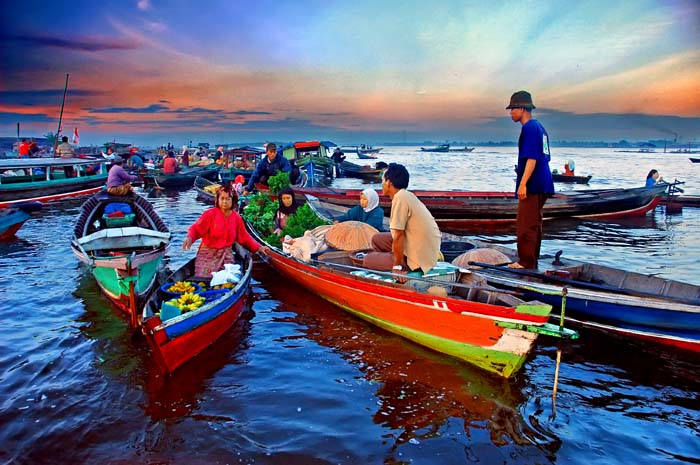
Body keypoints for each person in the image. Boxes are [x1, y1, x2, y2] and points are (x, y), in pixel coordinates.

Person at [363, 163, 441, 283]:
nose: (382, 184)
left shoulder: (400, 198)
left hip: (418, 258)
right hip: (423, 249)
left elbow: (398, 235)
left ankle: (400, 265)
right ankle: (391, 259)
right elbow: (398, 235)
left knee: (367, 260)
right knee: (377, 239)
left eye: (383, 181)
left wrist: (397, 267)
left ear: (389, 182)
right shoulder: (406, 195)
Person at [507, 90, 555, 270]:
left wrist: (522, 184)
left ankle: (525, 262)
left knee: (526, 224)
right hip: (544, 181)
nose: (511, 113)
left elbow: (532, 158)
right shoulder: (540, 128)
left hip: (534, 183)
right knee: (535, 222)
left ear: (521, 108)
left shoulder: (529, 128)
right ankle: (531, 261)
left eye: (513, 109)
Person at [183, 184, 267, 277]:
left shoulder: (236, 218)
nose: (224, 202)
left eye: (228, 199)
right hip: (208, 255)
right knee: (204, 279)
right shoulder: (210, 214)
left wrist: (258, 248)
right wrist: (190, 238)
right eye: (222, 198)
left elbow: (245, 238)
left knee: (227, 280)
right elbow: (196, 229)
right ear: (217, 200)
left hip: (226, 255)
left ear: (233, 200)